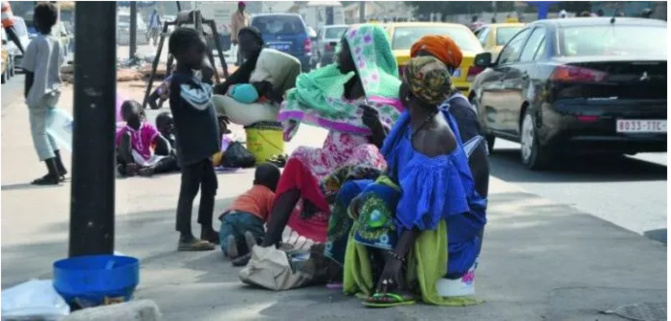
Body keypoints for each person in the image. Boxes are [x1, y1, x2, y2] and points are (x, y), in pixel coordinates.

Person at [324, 35, 490, 286]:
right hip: (421, 199)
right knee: (354, 188)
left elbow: (425, 204)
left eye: (405, 78)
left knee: (375, 199)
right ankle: (341, 265)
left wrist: (396, 258)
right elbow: (397, 166)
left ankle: (393, 273)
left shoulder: (439, 128)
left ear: (411, 91)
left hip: (451, 215)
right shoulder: (415, 116)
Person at [239, 24, 403, 267]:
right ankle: (267, 246)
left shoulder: (387, 92)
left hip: (364, 172)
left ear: (361, 52)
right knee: (299, 156)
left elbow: (393, 149)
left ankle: (337, 252)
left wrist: (377, 128)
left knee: (365, 153)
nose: (338, 53)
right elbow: (306, 90)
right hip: (332, 166)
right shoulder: (339, 83)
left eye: (344, 47)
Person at [169, 27, 221, 251]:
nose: (203, 56)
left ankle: (206, 228)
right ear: (181, 53)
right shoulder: (179, 81)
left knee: (210, 185)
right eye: (199, 51)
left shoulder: (192, 78)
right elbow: (199, 102)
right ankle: (185, 235)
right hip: (191, 147)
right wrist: (208, 82)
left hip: (203, 148)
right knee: (190, 189)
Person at [213, 26, 301, 127]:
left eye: (247, 44)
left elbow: (250, 93)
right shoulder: (253, 62)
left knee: (215, 101)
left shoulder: (265, 59)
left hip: (272, 111)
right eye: (241, 45)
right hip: (276, 111)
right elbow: (231, 82)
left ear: (258, 43)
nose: (243, 48)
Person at [22, 2, 66, 185]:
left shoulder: (35, 43)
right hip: (54, 92)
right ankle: (60, 167)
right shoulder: (57, 42)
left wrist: (27, 95)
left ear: (38, 21)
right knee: (48, 131)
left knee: (38, 133)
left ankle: (52, 172)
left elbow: (29, 72)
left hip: (38, 93)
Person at [219, 163, 280, 259]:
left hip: (229, 214)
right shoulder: (270, 195)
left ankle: (228, 246)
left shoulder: (250, 191)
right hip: (249, 215)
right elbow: (272, 222)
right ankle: (255, 244)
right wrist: (276, 239)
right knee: (256, 234)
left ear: (254, 181)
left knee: (228, 235)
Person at [116, 100, 177, 177]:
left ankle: (152, 169)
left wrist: (170, 150)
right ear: (124, 118)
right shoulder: (124, 132)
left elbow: (161, 140)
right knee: (125, 138)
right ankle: (130, 167)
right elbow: (120, 149)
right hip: (133, 160)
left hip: (149, 159)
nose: (134, 124)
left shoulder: (147, 127)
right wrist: (128, 162)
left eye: (135, 120)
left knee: (172, 159)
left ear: (141, 114)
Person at [230, 1, 250, 66]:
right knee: (240, 48)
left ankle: (241, 61)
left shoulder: (246, 15)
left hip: (246, 35)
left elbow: (248, 26)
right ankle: (239, 61)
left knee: (244, 49)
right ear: (239, 6)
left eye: (244, 6)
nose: (243, 7)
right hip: (238, 35)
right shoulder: (234, 15)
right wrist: (233, 38)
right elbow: (233, 27)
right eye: (241, 6)